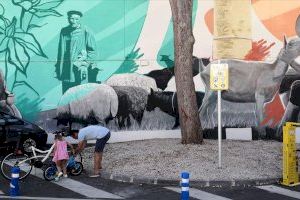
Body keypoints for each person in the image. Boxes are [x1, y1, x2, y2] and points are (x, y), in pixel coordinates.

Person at [55, 10, 99, 94]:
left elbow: (92, 51)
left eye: (76, 19)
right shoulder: (64, 31)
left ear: (80, 19)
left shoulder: (86, 31)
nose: (74, 21)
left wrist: (85, 64)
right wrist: (59, 68)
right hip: (66, 70)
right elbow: (60, 51)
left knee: (80, 97)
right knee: (66, 96)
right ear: (68, 19)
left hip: (79, 70)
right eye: (71, 18)